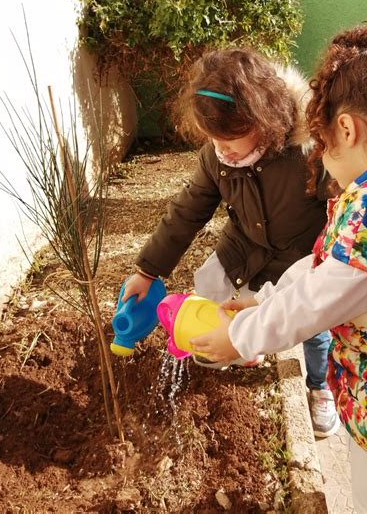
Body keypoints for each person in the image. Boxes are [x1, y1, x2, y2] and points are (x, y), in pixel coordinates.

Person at [192, 26, 367, 514]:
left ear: (346, 129)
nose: (320, 162)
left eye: (321, 146)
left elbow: (316, 303)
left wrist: (241, 336)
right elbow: (326, 269)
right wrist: (262, 298)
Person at [122, 47, 340, 437]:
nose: (222, 151)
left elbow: (338, 213)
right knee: (211, 285)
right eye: (214, 141)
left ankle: (319, 386)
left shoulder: (309, 154)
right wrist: (146, 269)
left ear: (265, 120)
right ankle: (240, 346)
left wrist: (322, 262)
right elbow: (187, 211)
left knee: (314, 329)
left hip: (299, 254)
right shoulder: (217, 158)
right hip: (244, 245)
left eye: (231, 141)